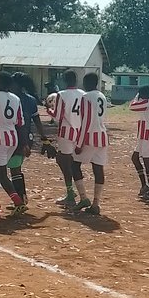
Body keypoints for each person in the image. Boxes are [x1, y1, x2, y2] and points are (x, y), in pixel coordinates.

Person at [0, 71, 27, 220]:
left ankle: (18, 202)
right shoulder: (15, 98)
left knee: (0, 173)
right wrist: (23, 143)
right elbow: (20, 123)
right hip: (12, 138)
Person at [10, 72, 48, 208]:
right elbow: (37, 121)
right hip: (26, 137)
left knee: (14, 169)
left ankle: (20, 201)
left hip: (20, 137)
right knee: (15, 168)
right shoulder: (30, 99)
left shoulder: (14, 99)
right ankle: (21, 198)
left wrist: (44, 139)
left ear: (18, 85)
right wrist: (44, 139)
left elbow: (35, 120)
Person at [73, 72, 109, 215]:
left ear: (86, 83)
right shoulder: (102, 96)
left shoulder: (86, 97)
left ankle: (83, 198)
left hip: (89, 137)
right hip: (102, 135)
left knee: (74, 165)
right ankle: (96, 203)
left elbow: (86, 121)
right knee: (98, 169)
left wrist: (79, 143)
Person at [51, 70, 84, 208]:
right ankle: (75, 192)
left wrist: (49, 110)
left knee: (64, 161)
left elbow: (57, 117)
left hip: (66, 132)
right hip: (79, 132)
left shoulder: (61, 95)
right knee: (72, 162)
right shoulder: (83, 94)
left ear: (64, 80)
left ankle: (70, 193)